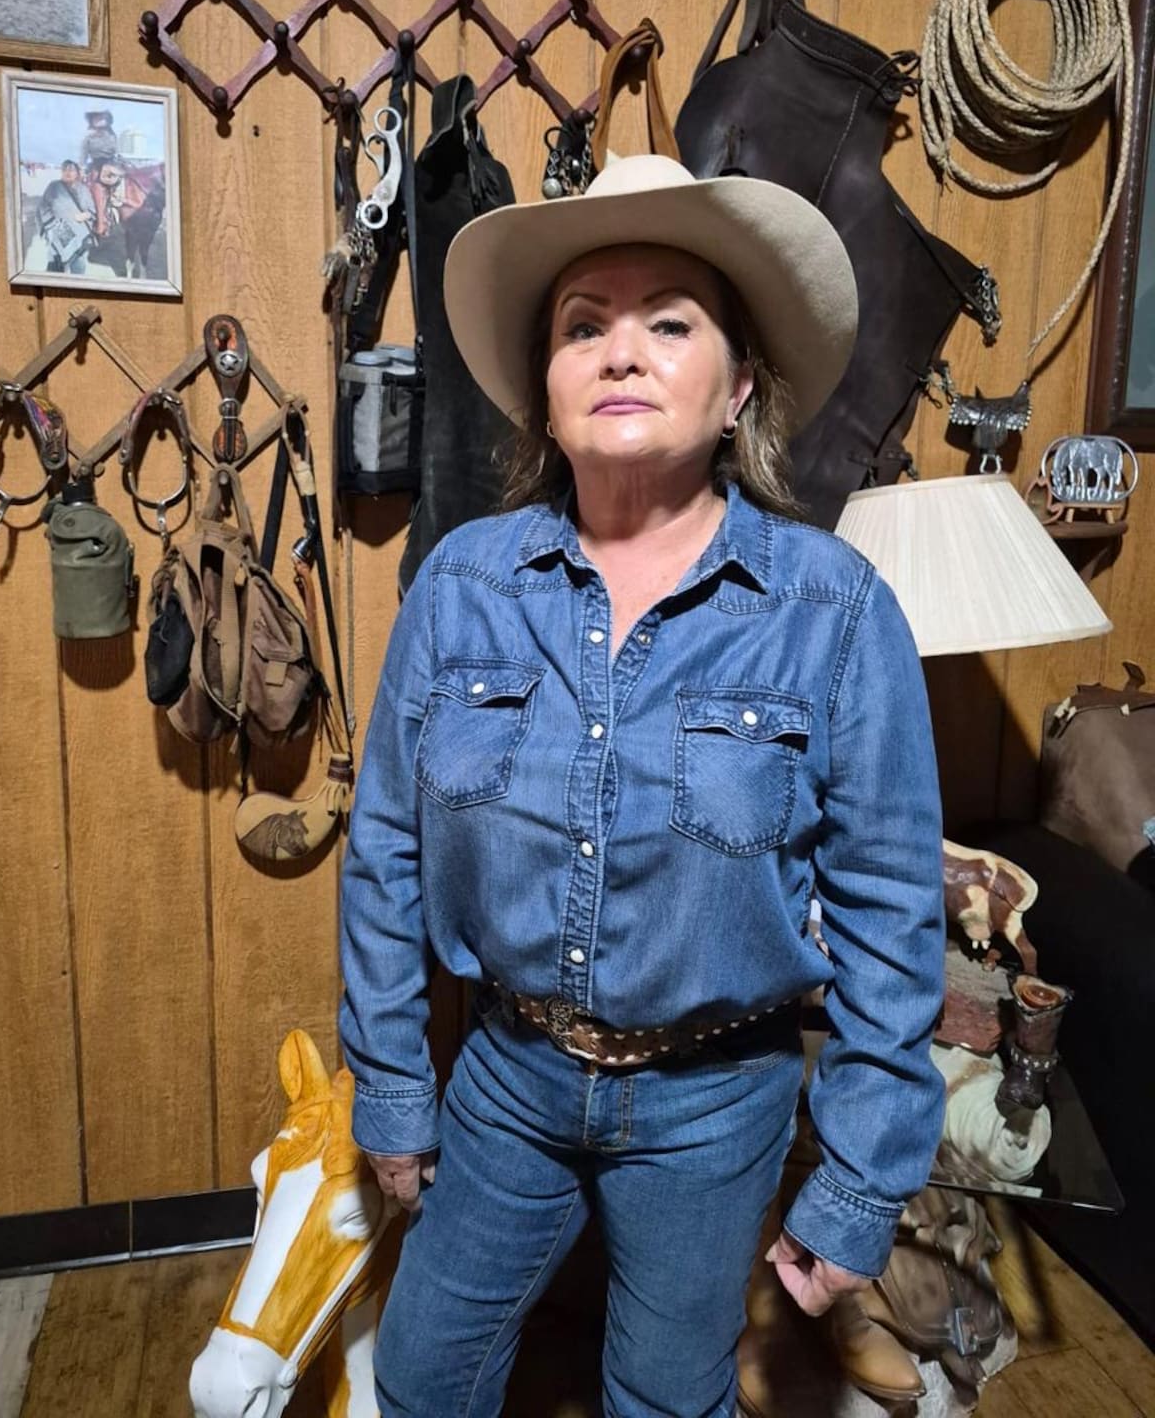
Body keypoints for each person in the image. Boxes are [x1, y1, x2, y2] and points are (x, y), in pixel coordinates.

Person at [339, 154, 946, 1418]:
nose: (621, 353)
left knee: (667, 1398)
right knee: (420, 1372)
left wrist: (858, 1183)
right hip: (506, 1077)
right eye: (582, 326)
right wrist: (395, 1084)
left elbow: (891, 909)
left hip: (716, 1097)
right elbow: (386, 850)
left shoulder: (833, 615)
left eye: (669, 322)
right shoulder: (459, 588)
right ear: (545, 396)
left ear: (737, 391)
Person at [36, 160, 94, 274]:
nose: (68, 172)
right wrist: (56, 225)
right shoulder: (53, 186)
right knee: (56, 262)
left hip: (79, 232)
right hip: (57, 229)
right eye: (65, 170)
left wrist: (85, 215)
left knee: (78, 264)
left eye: (71, 170)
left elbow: (92, 210)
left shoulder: (84, 189)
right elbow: (43, 207)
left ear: (77, 173)